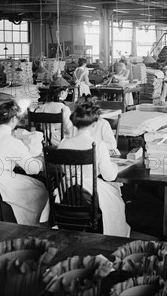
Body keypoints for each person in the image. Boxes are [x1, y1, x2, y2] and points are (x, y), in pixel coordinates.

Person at [58, 101, 130, 237]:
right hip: (90, 190)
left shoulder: (63, 144)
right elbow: (109, 176)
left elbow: (63, 169)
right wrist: (114, 166)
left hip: (66, 190)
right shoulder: (97, 145)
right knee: (117, 202)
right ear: (94, 124)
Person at [0, 101, 49, 225]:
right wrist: (41, 160)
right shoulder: (12, 142)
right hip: (3, 181)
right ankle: (35, 225)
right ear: (14, 119)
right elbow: (32, 169)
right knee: (40, 189)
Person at [38, 76, 74, 146]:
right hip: (61, 141)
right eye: (67, 91)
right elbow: (70, 129)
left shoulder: (43, 107)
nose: (67, 94)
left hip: (45, 140)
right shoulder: (64, 109)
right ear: (62, 92)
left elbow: (41, 126)